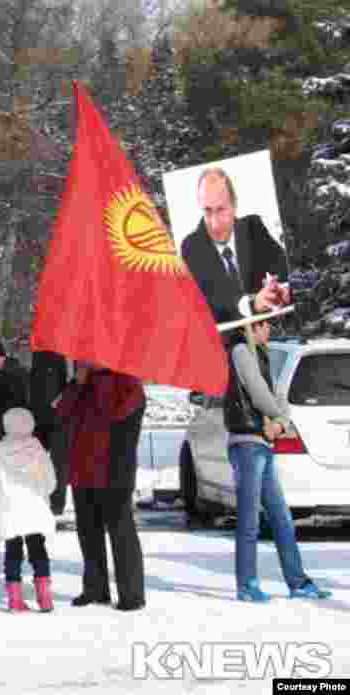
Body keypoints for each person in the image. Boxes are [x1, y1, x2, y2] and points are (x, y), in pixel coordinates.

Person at [223, 315, 332, 602]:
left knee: (282, 517)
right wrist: (278, 417)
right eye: (265, 324)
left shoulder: (261, 354)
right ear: (251, 326)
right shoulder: (241, 351)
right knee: (249, 519)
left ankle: (297, 582)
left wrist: (281, 422)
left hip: (263, 443)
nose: (270, 329)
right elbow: (259, 394)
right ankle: (247, 585)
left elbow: (278, 396)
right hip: (247, 443)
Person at [56, 363, 146, 611]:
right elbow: (62, 412)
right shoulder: (83, 380)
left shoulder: (128, 381)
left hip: (114, 469)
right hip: (83, 468)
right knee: (88, 531)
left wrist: (97, 379)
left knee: (121, 531)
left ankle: (132, 594)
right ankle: (95, 588)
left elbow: (115, 412)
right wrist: (77, 383)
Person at [180, 168, 290, 323]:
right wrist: (253, 304)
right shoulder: (191, 247)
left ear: (234, 205)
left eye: (221, 209)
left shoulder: (254, 227)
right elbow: (207, 306)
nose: (215, 224)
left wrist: (281, 289)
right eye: (207, 211)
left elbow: (286, 270)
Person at [0, 408, 57, 612]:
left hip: (10, 510)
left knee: (12, 553)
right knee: (38, 550)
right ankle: (44, 596)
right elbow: (50, 483)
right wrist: (41, 493)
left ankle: (15, 599)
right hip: (34, 510)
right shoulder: (39, 452)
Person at [28, 350, 70, 515]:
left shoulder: (63, 352)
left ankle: (56, 503)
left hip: (59, 417)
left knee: (59, 462)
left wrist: (62, 399)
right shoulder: (36, 354)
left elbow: (74, 380)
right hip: (38, 415)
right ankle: (37, 499)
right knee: (34, 460)